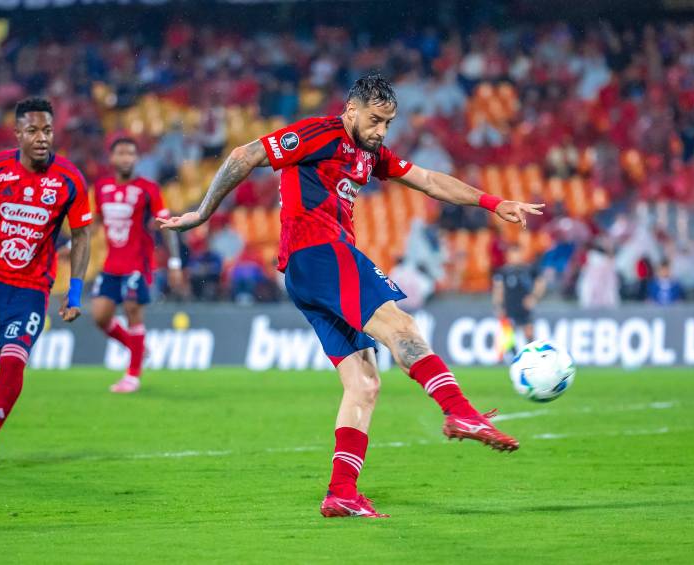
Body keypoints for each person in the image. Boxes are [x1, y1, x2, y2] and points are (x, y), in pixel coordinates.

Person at [159, 75, 544, 518]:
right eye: (376, 120)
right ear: (351, 110)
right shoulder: (319, 134)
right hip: (320, 253)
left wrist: (493, 203)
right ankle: (459, 410)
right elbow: (243, 155)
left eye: (388, 123)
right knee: (402, 326)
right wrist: (202, 214)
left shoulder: (369, 153)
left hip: (305, 273)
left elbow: (429, 180)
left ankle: (341, 492)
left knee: (363, 383)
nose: (381, 131)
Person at [0, 98, 92, 475]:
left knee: (12, 363)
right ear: (17, 134)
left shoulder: (70, 179)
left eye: (47, 130)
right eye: (33, 131)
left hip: (28, 290)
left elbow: (82, 236)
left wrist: (74, 294)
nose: (41, 138)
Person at [91, 138, 182, 393]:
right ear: (112, 158)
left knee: (132, 310)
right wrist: (74, 245)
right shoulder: (101, 187)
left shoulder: (148, 189)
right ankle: (137, 348)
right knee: (100, 316)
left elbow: (167, 226)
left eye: (131, 153)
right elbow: (96, 222)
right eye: (121, 153)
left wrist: (174, 262)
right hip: (111, 265)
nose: (126, 158)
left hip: (137, 264)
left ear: (136, 158)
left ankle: (132, 376)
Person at [492, 245, 547, 350]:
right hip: (509, 306)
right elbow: (498, 289)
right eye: (512, 254)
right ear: (508, 256)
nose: (515, 257)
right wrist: (498, 306)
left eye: (517, 254)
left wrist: (534, 297)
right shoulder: (503, 272)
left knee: (529, 333)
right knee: (508, 336)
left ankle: (533, 358)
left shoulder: (529, 269)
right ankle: (512, 358)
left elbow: (541, 282)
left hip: (524, 307)